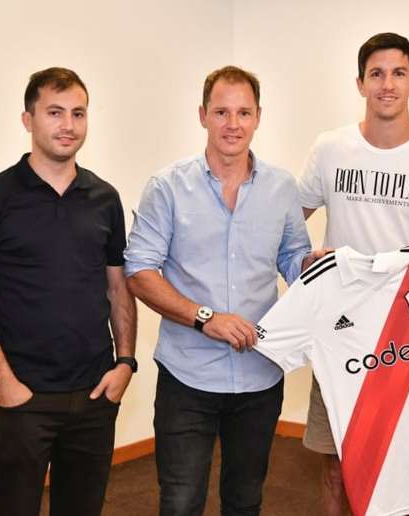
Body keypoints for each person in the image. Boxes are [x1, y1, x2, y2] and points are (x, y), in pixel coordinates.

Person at [298, 32, 409, 515]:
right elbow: (286, 221)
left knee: (404, 461)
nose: (387, 84)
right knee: (339, 461)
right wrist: (303, 261)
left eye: (398, 73)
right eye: (376, 74)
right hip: (342, 330)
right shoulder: (330, 147)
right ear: (359, 83)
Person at [124, 65, 313, 516]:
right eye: (222, 112)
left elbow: (292, 260)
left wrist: (315, 265)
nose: (233, 124)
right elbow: (139, 271)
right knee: (181, 502)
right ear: (202, 115)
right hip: (188, 377)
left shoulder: (282, 188)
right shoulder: (167, 187)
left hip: (259, 375)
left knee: (245, 500)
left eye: (243, 112)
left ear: (258, 117)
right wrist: (204, 317)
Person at [0, 67, 137, 516]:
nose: (68, 125)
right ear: (27, 119)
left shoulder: (105, 198)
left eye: (78, 113)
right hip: (22, 398)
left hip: (95, 394)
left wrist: (125, 364)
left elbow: (119, 288)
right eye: (54, 112)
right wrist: (4, 382)